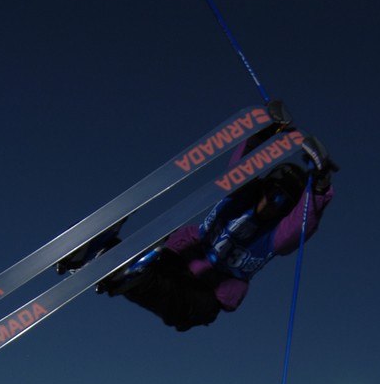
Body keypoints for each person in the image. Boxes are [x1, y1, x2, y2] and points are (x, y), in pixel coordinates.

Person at [99, 132, 335, 330]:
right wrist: (262, 134)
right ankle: (109, 253)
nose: (273, 204)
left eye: (283, 203)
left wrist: (319, 187)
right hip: (185, 256)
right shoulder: (239, 196)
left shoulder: (275, 235)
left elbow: (301, 225)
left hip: (210, 291)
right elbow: (240, 170)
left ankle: (127, 276)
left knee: (185, 310)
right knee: (163, 267)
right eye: (272, 194)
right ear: (263, 188)